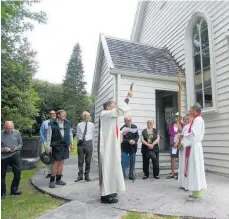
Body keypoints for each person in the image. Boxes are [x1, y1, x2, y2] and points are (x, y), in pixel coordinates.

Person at [98, 90, 132, 204]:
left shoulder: (111, 115)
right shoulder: (105, 113)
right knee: (107, 168)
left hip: (113, 147)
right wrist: (127, 97)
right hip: (107, 147)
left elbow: (118, 112)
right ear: (108, 107)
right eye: (113, 105)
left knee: (113, 168)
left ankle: (111, 190)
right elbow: (119, 110)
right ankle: (104, 195)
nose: (115, 106)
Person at [178, 103, 207, 201]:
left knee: (196, 170)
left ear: (195, 109)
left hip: (195, 147)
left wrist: (183, 137)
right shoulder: (197, 119)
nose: (190, 111)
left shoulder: (198, 120)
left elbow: (194, 135)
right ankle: (195, 192)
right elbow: (192, 134)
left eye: (191, 109)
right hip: (193, 147)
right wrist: (184, 136)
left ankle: (198, 193)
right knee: (194, 170)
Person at [46, 110, 74, 188]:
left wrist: (71, 143)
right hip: (56, 145)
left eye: (65, 114)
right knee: (55, 163)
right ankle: (52, 181)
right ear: (58, 115)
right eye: (63, 114)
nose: (64, 115)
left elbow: (70, 133)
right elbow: (48, 136)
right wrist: (48, 147)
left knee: (62, 162)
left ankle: (58, 180)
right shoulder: (52, 124)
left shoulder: (68, 123)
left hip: (65, 145)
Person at [1, 121, 23, 200]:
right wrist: (3, 149)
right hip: (3, 157)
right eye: (8, 128)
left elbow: (20, 144)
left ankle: (14, 190)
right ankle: (2, 193)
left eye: (11, 128)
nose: (10, 130)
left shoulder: (17, 133)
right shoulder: (1, 134)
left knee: (18, 172)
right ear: (5, 127)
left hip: (14, 155)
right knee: (2, 175)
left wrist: (16, 148)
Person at [175, 112, 193, 190]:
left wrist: (182, 138)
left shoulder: (191, 126)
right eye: (185, 118)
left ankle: (187, 185)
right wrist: (178, 139)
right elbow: (182, 134)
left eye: (187, 117)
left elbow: (189, 137)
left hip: (187, 147)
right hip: (182, 148)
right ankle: (182, 183)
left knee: (186, 166)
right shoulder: (185, 126)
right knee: (182, 165)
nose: (186, 119)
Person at [75, 111, 94, 182]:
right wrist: (80, 140)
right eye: (86, 116)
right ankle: (80, 176)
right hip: (81, 144)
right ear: (83, 117)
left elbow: (92, 134)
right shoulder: (79, 125)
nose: (88, 117)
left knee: (88, 161)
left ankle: (87, 175)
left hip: (89, 143)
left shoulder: (92, 125)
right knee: (80, 161)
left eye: (89, 116)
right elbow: (77, 134)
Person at [120, 116, 139, 180]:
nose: (129, 121)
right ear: (125, 121)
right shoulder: (122, 128)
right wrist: (128, 141)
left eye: (130, 120)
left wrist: (134, 141)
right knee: (124, 162)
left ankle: (131, 175)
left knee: (132, 161)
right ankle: (122, 176)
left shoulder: (135, 127)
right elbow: (121, 139)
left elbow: (137, 136)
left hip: (133, 147)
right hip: (125, 148)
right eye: (127, 120)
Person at [40, 110, 56, 178]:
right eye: (51, 114)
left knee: (56, 157)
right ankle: (49, 172)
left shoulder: (57, 122)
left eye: (54, 114)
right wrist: (44, 142)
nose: (53, 115)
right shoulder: (45, 123)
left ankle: (56, 172)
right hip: (48, 143)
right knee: (49, 157)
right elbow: (41, 133)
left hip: (56, 143)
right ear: (49, 115)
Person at [167, 112, 183, 179]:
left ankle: (180, 173)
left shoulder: (182, 125)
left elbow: (182, 133)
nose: (176, 118)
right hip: (173, 143)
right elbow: (171, 133)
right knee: (172, 159)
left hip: (180, 143)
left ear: (180, 118)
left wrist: (179, 133)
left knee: (180, 158)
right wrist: (178, 133)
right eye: (175, 116)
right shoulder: (171, 125)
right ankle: (172, 173)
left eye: (177, 116)